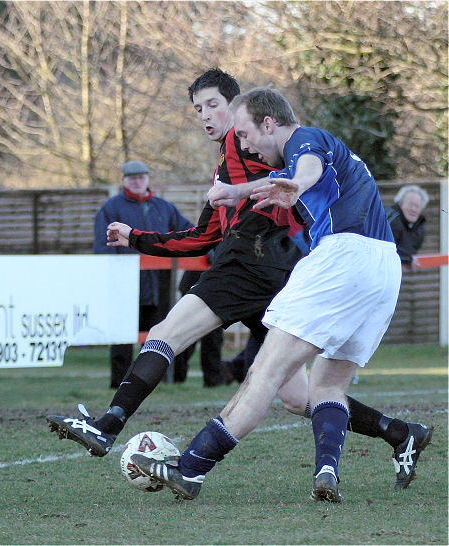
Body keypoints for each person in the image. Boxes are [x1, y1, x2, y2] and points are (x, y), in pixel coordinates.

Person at [46, 69, 431, 492]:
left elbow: (303, 167)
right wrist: (139, 235)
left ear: (246, 113)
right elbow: (201, 236)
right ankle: (392, 436)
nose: (209, 118)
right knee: (302, 392)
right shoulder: (237, 166)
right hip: (348, 268)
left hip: (259, 260)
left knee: (198, 347)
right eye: (198, 109)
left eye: (215, 105)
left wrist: (280, 185)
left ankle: (128, 435)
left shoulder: (290, 141)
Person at [94, 160, 194, 389]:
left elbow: (189, 233)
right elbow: (102, 247)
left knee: (159, 335)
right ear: (124, 180)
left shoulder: (164, 207)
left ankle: (150, 383)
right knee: (122, 336)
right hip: (125, 284)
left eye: (141, 177)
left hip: (160, 284)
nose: (137, 181)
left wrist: (210, 249)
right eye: (132, 178)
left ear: (148, 179)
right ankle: (118, 383)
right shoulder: (111, 208)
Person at [173, 265, 226, 386]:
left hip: (203, 282)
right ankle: (211, 379)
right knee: (207, 335)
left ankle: (211, 379)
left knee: (201, 335)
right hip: (203, 283)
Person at [386, 185, 428, 268]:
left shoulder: (419, 226)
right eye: (410, 204)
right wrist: (407, 258)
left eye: (417, 206)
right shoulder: (391, 219)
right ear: (400, 203)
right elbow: (385, 247)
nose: (413, 209)